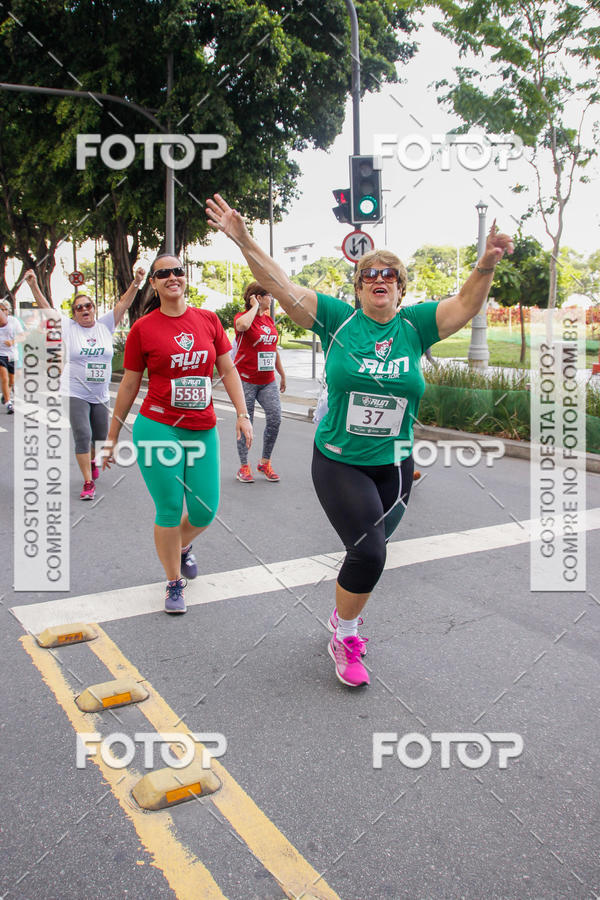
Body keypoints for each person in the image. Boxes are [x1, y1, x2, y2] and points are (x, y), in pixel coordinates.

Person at [206, 192, 513, 688]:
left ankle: (347, 607)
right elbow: (278, 283)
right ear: (358, 287)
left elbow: (465, 303)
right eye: (369, 275)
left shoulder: (416, 326)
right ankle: (344, 633)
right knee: (370, 553)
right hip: (339, 459)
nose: (379, 280)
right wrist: (243, 238)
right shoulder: (335, 319)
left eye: (389, 275)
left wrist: (484, 265)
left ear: (401, 288)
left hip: (394, 463)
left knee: (370, 550)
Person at [102, 253, 253, 615]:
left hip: (201, 427)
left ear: (185, 278)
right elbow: (129, 384)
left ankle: (180, 547)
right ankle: (173, 582)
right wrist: (112, 436)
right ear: (153, 283)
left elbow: (228, 370)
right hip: (157, 426)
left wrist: (243, 415)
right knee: (169, 507)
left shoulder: (207, 320)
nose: (172, 276)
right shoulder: (143, 328)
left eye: (178, 271)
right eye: (163, 273)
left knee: (204, 510)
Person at [25, 267, 145, 500]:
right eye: (79, 308)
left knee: (99, 438)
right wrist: (32, 286)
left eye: (87, 306)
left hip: (99, 394)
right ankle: (88, 482)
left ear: (94, 309)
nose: (84, 310)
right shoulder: (69, 328)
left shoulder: (105, 326)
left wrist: (137, 282)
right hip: (74, 391)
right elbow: (47, 309)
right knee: (82, 433)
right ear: (75, 314)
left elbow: (124, 303)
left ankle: (93, 458)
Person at [233, 282, 286, 482]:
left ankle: (265, 462)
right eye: (268, 295)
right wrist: (254, 306)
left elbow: (272, 350)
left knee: (275, 418)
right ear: (257, 297)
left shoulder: (269, 321)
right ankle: (243, 467)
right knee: (246, 424)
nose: (271, 299)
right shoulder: (242, 317)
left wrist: (282, 373)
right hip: (245, 381)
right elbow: (243, 326)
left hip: (267, 381)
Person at [0, 300, 24, 414]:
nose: (2, 312)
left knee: (11, 381)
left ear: (8, 310)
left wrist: (13, 341)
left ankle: (6, 395)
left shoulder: (14, 321)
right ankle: (9, 403)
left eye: (4, 309)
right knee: (4, 378)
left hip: (12, 355)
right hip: (1, 355)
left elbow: (22, 336)